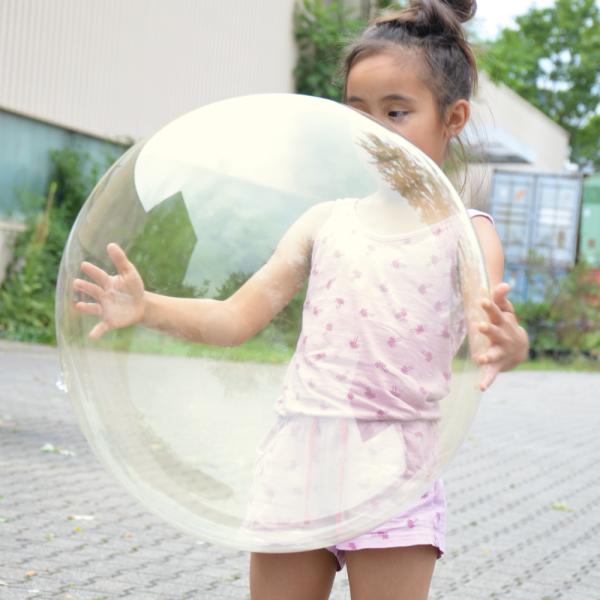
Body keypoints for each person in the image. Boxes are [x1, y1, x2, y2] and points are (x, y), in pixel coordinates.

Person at [73, 1, 529, 597]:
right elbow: (234, 318)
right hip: (298, 463)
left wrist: (508, 343)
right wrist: (146, 306)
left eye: (397, 112)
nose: (374, 133)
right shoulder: (325, 222)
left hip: (395, 467)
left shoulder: (466, 234)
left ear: (452, 117)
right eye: (358, 114)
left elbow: (487, 315)